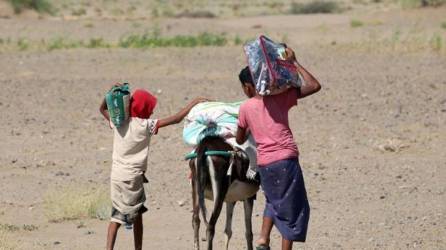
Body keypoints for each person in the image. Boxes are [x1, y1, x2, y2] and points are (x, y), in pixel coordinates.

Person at [99, 84, 208, 250]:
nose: (151, 113)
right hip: (132, 178)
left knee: (122, 214)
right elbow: (177, 119)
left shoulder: (119, 122)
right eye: (149, 109)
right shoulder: (145, 125)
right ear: (143, 108)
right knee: (124, 217)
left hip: (116, 177)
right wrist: (194, 102)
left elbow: (102, 109)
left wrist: (111, 94)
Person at [236, 48, 321, 250]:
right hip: (286, 159)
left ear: (248, 87)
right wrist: (295, 62)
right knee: (292, 207)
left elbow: (240, 139)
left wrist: (249, 126)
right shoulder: (281, 97)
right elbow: (314, 85)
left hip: (265, 163)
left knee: (274, 200)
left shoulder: (245, 108)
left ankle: (263, 240)